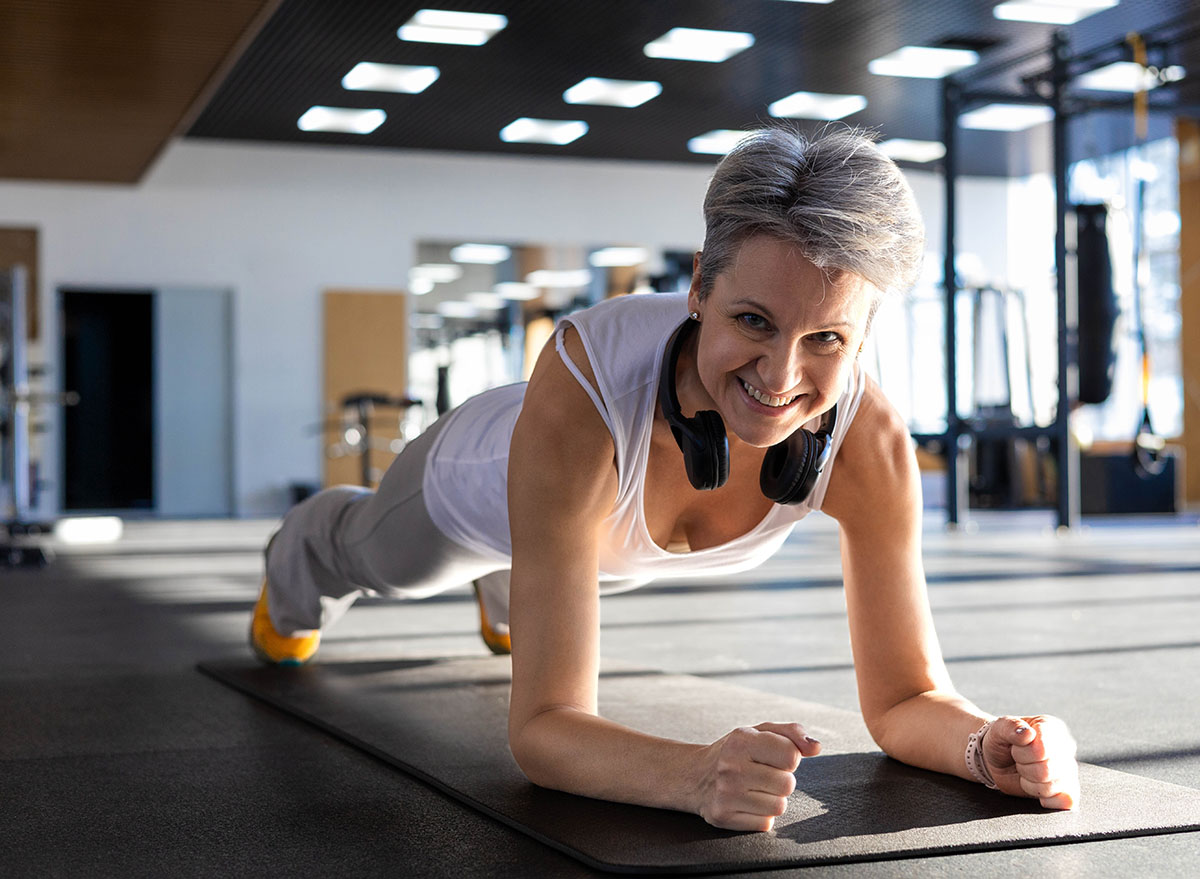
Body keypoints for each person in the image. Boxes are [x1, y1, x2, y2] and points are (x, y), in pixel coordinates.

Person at [251, 126, 1080, 831]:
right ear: (697, 288)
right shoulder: (583, 379)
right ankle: (306, 553)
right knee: (376, 560)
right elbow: (543, 730)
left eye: (826, 338)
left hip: (588, 539)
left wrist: (986, 744)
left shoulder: (869, 440)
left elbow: (907, 697)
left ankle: (519, 589)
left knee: (562, 569)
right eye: (752, 320)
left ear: (862, 337)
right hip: (482, 481)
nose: (781, 375)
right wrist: (695, 774)